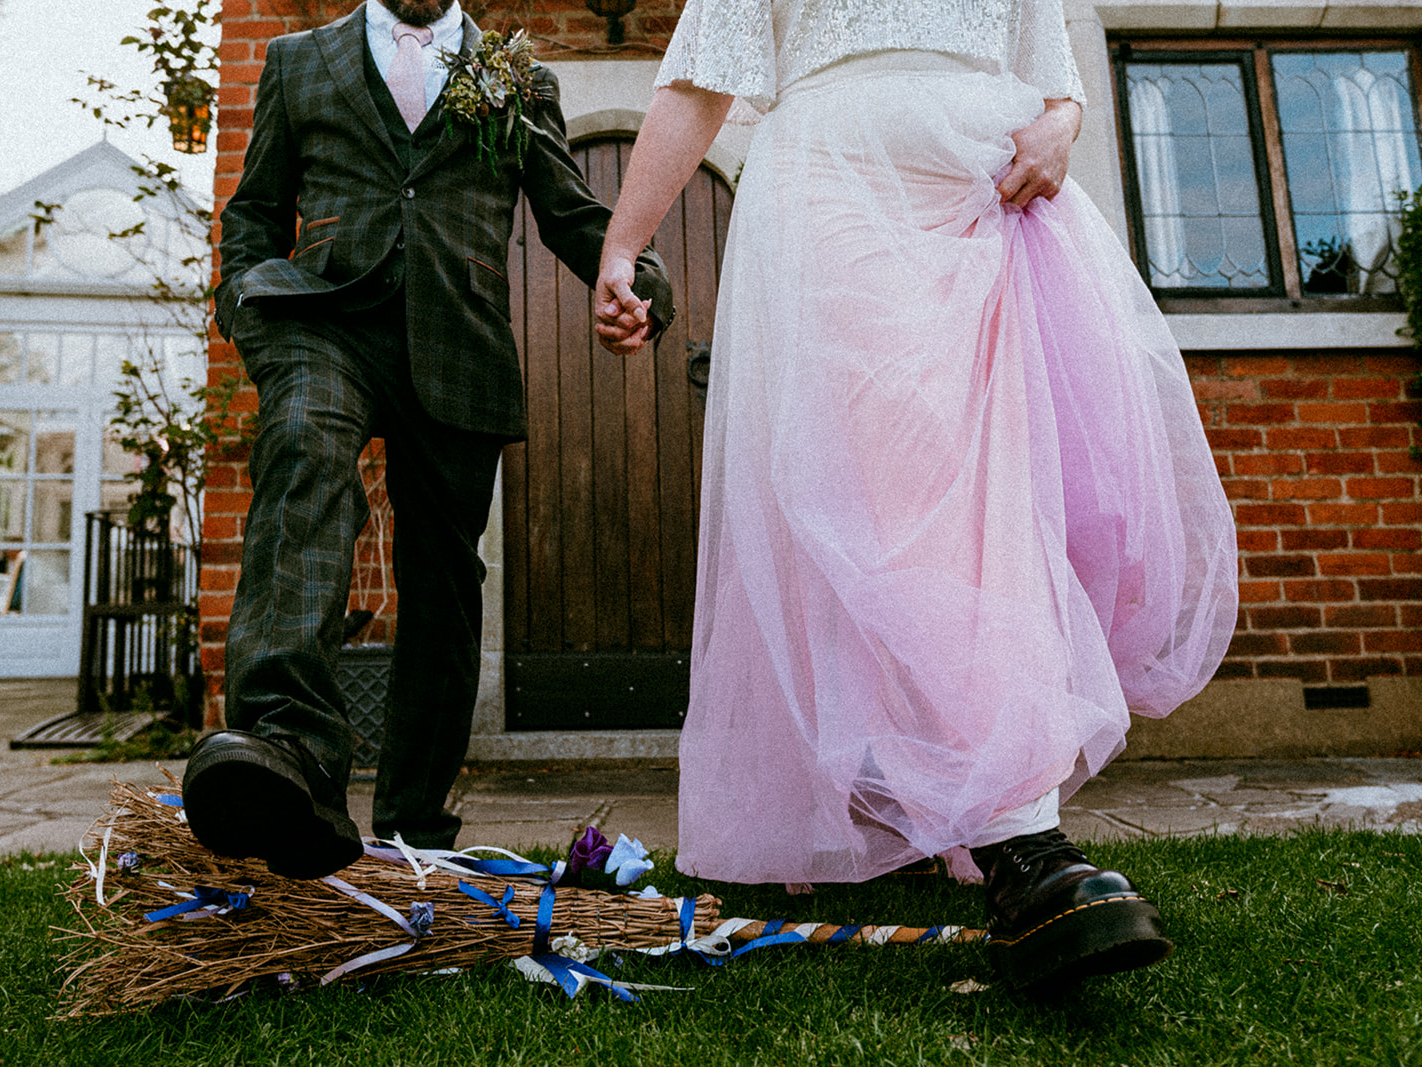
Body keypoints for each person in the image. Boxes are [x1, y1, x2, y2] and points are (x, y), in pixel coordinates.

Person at [594, 0, 1238, 988]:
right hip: (833, 190)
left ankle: (982, 807)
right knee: (885, 495)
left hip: (987, 193)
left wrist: (1057, 133)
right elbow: (698, 76)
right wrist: (619, 244)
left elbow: (1055, 81)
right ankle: (1022, 846)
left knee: (997, 502)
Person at [184, 0, 673, 880]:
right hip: (321, 318)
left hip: (458, 335)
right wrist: (246, 300)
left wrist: (635, 277)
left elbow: (568, 211)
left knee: (445, 575)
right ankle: (287, 746)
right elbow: (255, 207)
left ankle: (411, 823)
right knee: (303, 447)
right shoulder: (300, 61)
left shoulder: (520, 78)